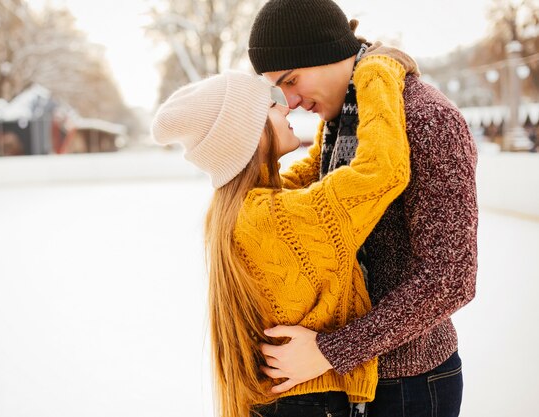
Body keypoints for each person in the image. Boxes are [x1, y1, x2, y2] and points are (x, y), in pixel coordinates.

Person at [247, 1, 478, 416]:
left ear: (327, 52)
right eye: (279, 89)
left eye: (292, 80)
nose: (291, 101)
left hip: (409, 384)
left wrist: (330, 352)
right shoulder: (342, 122)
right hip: (349, 381)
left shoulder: (427, 119)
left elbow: (451, 277)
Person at [151, 53, 411, 417]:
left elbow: (314, 172)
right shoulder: (277, 217)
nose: (286, 106)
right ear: (249, 134)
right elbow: (382, 171)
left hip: (285, 403)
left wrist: (332, 110)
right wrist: (377, 72)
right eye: (270, 104)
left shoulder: (241, 210)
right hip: (308, 405)